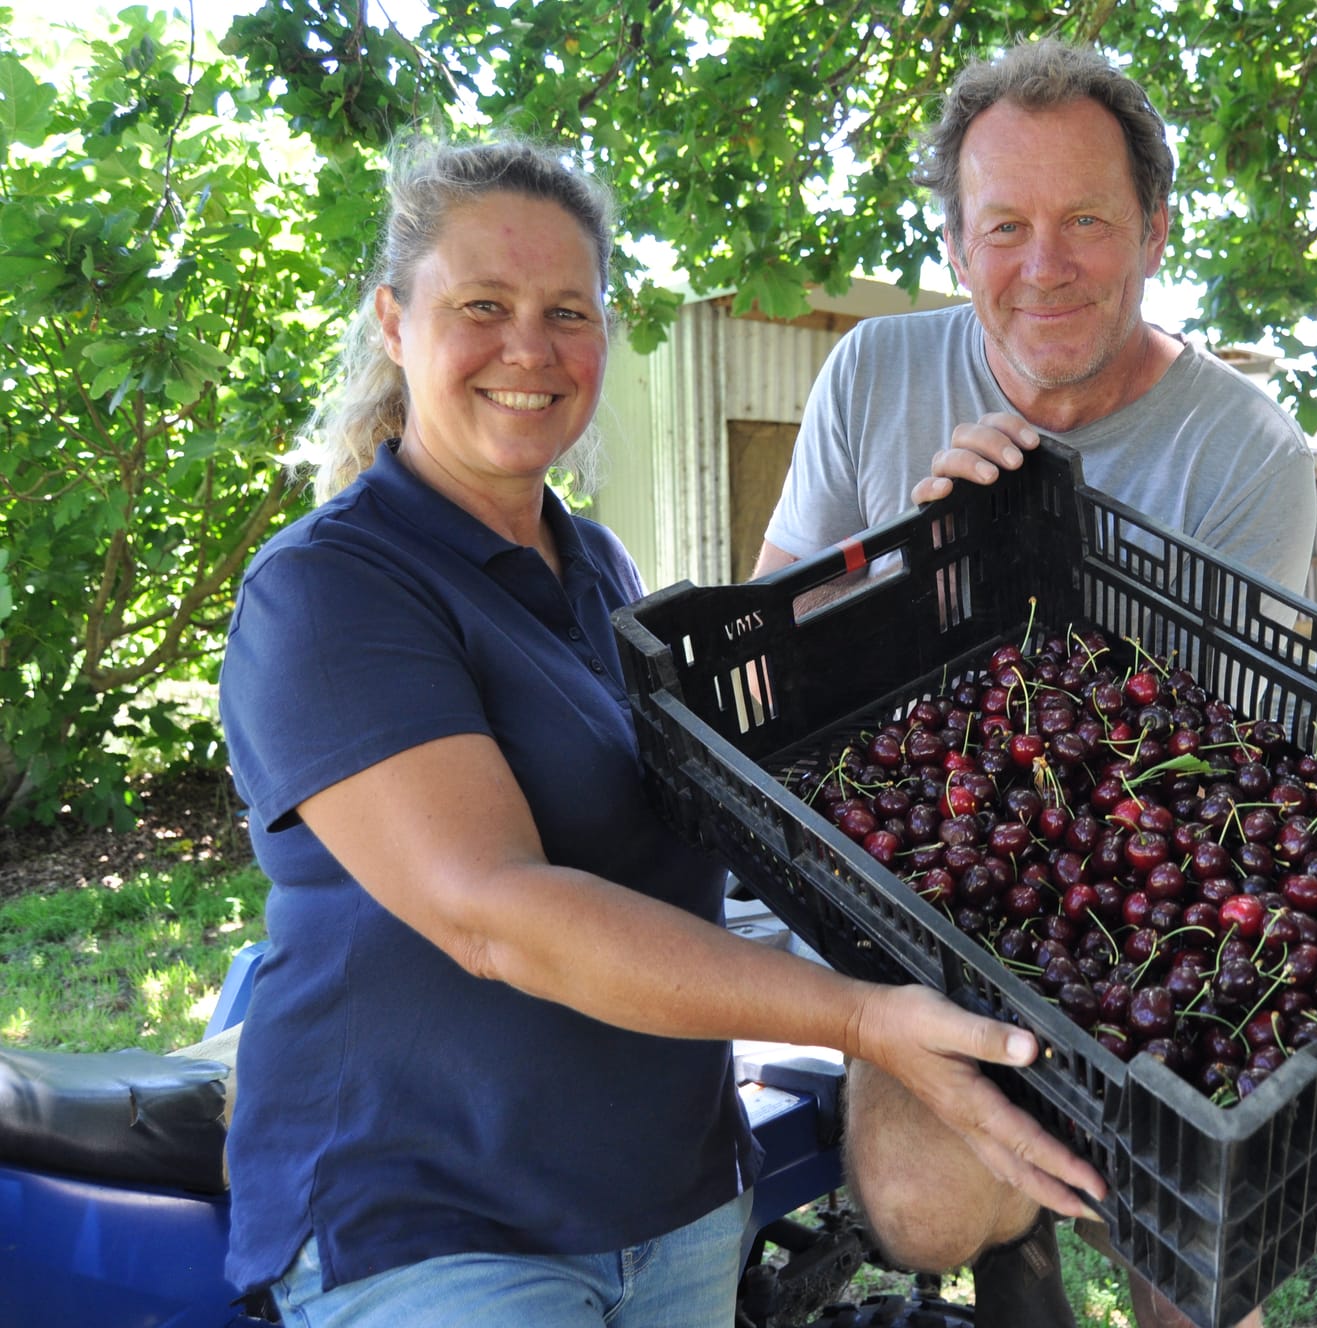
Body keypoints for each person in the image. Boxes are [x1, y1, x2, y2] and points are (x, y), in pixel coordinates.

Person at [216, 131, 1104, 1328]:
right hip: (439, 1218)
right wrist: (860, 1018)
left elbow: (760, 766)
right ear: (394, 319)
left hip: (671, 1198)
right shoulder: (329, 590)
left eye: (567, 312)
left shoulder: (596, 569)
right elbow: (496, 913)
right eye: (482, 304)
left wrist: (944, 560)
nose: (529, 349)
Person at [753, 39, 1317, 1328]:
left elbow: (1194, 776)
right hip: (924, 900)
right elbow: (772, 639)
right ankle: (1017, 1238)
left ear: (1153, 233)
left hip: (1143, 887)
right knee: (919, 1210)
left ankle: (1086, 1211)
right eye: (1003, 224)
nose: (1043, 263)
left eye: (1085, 221)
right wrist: (918, 575)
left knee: (1191, 1257)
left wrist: (1027, 592)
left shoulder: (1244, 453)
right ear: (956, 246)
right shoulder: (874, 376)